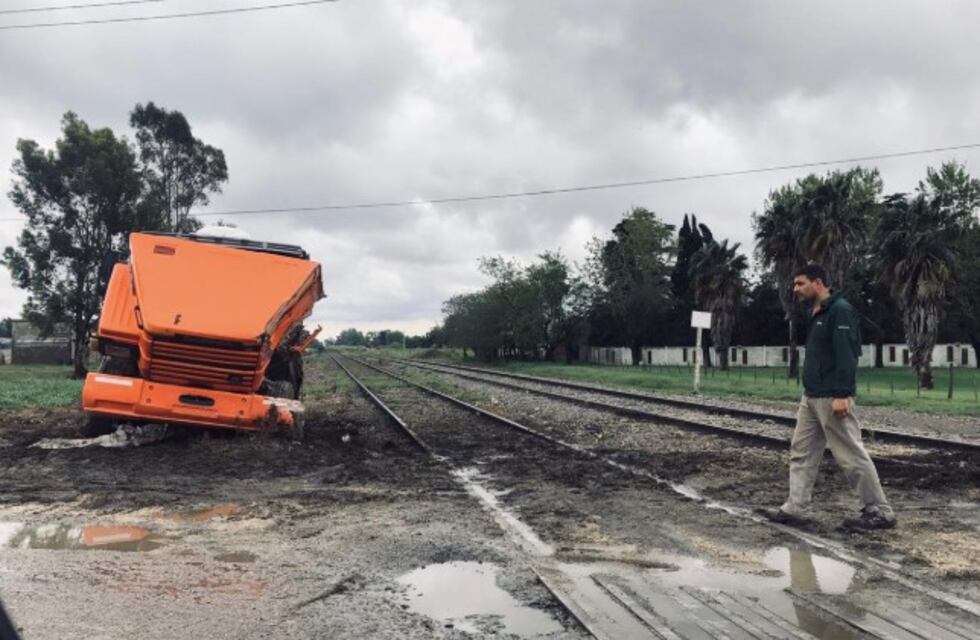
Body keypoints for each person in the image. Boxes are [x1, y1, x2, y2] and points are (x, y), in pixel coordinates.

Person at [759, 264, 896, 531]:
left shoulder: (840, 311)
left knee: (850, 454)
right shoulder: (817, 312)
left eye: (800, 283)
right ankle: (795, 507)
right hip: (811, 397)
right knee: (801, 452)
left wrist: (843, 393)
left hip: (832, 396)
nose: (795, 289)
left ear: (818, 282)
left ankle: (879, 511)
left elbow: (847, 355)